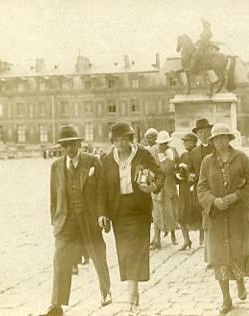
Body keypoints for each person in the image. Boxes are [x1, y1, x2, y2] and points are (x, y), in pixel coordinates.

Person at [41, 125, 111, 316]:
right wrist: (55, 220)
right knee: (60, 260)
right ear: (62, 147)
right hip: (66, 221)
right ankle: (57, 304)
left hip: (89, 219)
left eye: (73, 144)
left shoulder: (93, 161)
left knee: (98, 256)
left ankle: (106, 292)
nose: (70, 149)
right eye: (66, 145)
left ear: (79, 144)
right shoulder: (56, 166)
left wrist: (102, 214)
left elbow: (102, 191)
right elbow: (53, 196)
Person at [97, 122, 164, 314]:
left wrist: (153, 187)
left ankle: (133, 296)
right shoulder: (108, 159)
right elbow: (102, 187)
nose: (120, 143)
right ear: (112, 140)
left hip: (139, 210)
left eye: (123, 139)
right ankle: (133, 293)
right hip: (119, 211)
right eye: (116, 139)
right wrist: (102, 213)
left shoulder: (142, 154)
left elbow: (160, 174)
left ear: (130, 138)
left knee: (136, 252)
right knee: (125, 253)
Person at [197, 123, 249, 315]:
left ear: (229, 139)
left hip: (237, 215)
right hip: (217, 216)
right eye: (216, 138)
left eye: (223, 137)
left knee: (237, 252)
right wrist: (213, 201)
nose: (220, 141)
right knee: (220, 258)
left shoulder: (240, 158)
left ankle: (240, 282)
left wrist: (237, 196)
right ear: (212, 141)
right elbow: (201, 188)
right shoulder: (207, 162)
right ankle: (226, 299)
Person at [148, 131, 180, 249]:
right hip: (157, 186)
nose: (164, 146)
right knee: (156, 212)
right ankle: (157, 239)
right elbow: (148, 167)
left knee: (171, 212)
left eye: (166, 143)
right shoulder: (152, 151)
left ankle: (173, 235)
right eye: (161, 144)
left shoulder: (173, 151)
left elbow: (177, 166)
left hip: (169, 186)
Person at [190, 118, 213, 260]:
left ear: (210, 132)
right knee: (202, 214)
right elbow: (193, 169)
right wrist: (191, 176)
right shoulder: (194, 152)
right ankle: (203, 238)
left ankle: (212, 247)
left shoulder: (215, 148)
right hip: (200, 187)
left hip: (214, 187)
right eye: (200, 133)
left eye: (205, 132)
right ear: (197, 135)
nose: (203, 135)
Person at [176, 132, 202, 250]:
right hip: (184, 189)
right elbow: (177, 170)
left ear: (193, 142)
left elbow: (201, 171)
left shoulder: (198, 154)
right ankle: (186, 240)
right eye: (184, 141)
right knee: (182, 214)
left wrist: (193, 177)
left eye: (187, 141)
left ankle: (203, 240)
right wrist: (178, 176)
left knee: (199, 212)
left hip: (196, 187)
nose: (184, 143)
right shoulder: (183, 155)